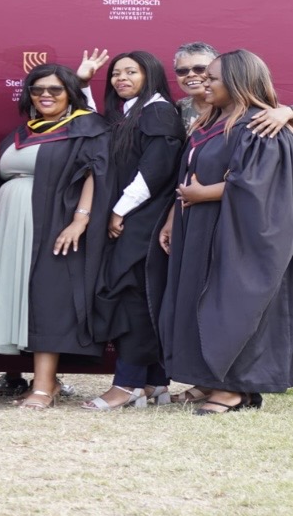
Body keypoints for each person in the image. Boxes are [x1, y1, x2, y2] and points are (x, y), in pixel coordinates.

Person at [159, 50, 293, 413]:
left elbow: (258, 184)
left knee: (232, 303)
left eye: (212, 78)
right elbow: (189, 176)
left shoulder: (260, 125)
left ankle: (235, 389)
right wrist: (174, 215)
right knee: (204, 304)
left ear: (237, 81)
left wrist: (203, 194)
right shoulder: (210, 124)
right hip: (201, 226)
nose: (204, 83)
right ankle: (212, 380)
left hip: (239, 232)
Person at [0, 64, 110, 409]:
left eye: (55, 89)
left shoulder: (86, 127)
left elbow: (95, 173)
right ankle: (28, 378)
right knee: (20, 298)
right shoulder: (22, 131)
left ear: (70, 93)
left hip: (53, 221)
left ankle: (43, 386)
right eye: (37, 90)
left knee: (47, 299)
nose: (45, 95)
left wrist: (80, 220)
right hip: (10, 227)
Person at [84, 52, 185, 410]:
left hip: (144, 218)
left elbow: (154, 170)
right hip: (135, 217)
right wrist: (84, 84)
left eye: (131, 71)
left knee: (132, 297)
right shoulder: (132, 112)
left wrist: (119, 209)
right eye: (116, 73)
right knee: (143, 295)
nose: (121, 78)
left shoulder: (158, 112)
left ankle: (126, 384)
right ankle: (155, 383)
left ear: (151, 75)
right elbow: (96, 128)